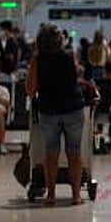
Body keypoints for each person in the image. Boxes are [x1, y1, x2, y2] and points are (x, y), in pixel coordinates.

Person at [26, 24, 86, 206]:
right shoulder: (69, 56)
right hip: (72, 108)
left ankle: (51, 194)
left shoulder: (37, 60)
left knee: (51, 153)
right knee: (74, 153)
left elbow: (30, 89)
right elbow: (77, 75)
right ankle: (76, 195)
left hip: (49, 110)